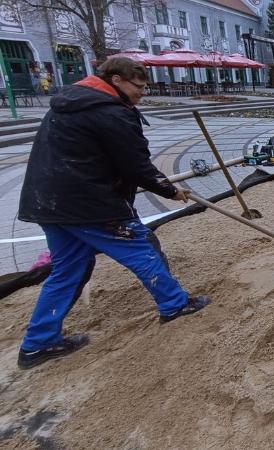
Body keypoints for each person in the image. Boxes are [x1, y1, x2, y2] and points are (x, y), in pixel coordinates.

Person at [16, 57, 210, 370]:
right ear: (117, 79)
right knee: (140, 247)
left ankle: (38, 343)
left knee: (68, 270)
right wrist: (170, 191)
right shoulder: (109, 112)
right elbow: (135, 165)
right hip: (87, 204)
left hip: (49, 202)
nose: (143, 93)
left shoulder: (72, 103)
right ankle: (175, 304)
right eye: (139, 86)